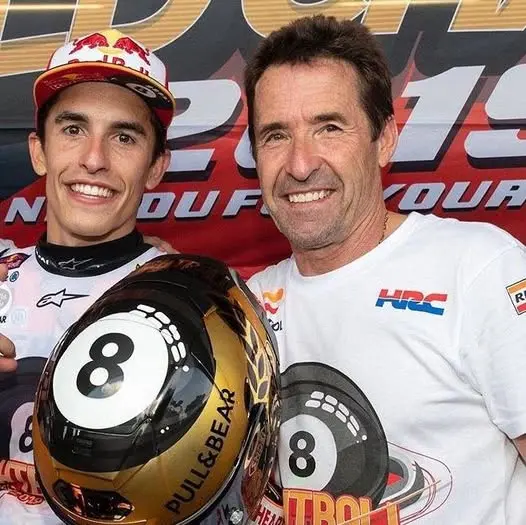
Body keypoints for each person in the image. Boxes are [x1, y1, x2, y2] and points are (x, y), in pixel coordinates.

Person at [244, 15, 526, 525]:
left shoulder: (480, 268)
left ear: (384, 140)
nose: (301, 164)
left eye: (329, 128)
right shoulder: (245, 307)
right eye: (276, 135)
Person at [0, 29, 174, 523]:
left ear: (156, 167)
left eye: (124, 137)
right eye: (73, 129)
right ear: (39, 152)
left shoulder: (193, 304)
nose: (94, 159)